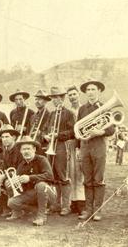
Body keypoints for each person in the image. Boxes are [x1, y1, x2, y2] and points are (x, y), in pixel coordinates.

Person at [78, 79, 115, 221]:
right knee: (87, 179)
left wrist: (100, 132)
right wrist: (78, 147)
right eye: (88, 90)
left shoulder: (105, 107)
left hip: (99, 145)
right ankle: (88, 210)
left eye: (93, 89)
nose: (90, 92)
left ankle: (98, 210)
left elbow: (111, 129)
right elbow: (78, 128)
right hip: (85, 146)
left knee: (98, 179)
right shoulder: (82, 109)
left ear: (99, 91)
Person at [5, 136, 56, 226]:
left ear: (34, 149)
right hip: (32, 195)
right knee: (11, 202)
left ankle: (41, 217)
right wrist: (13, 183)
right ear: (20, 151)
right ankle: (21, 212)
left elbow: (50, 176)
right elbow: (20, 187)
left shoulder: (42, 159)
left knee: (41, 185)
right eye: (23, 149)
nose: (26, 151)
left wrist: (30, 178)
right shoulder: (22, 165)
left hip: (48, 193)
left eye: (28, 149)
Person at [44, 86, 75, 216]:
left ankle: (66, 206)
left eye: (57, 98)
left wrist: (58, 135)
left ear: (62, 98)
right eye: (53, 98)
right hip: (51, 146)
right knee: (54, 176)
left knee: (63, 176)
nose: (54, 101)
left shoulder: (68, 113)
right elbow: (45, 129)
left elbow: (72, 132)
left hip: (61, 146)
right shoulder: (51, 114)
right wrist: (45, 136)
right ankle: (56, 204)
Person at [66, 85, 85, 215]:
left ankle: (82, 203)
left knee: (80, 174)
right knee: (71, 173)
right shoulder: (67, 111)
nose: (72, 97)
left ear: (78, 94)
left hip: (82, 143)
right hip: (71, 144)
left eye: (74, 94)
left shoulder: (83, 109)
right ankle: (73, 202)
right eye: (70, 95)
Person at [28, 90, 51, 154]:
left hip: (43, 146)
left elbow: (49, 132)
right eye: (36, 99)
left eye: (40, 99)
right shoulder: (33, 116)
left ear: (45, 101)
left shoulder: (49, 115)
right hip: (33, 146)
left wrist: (40, 133)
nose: (37, 101)